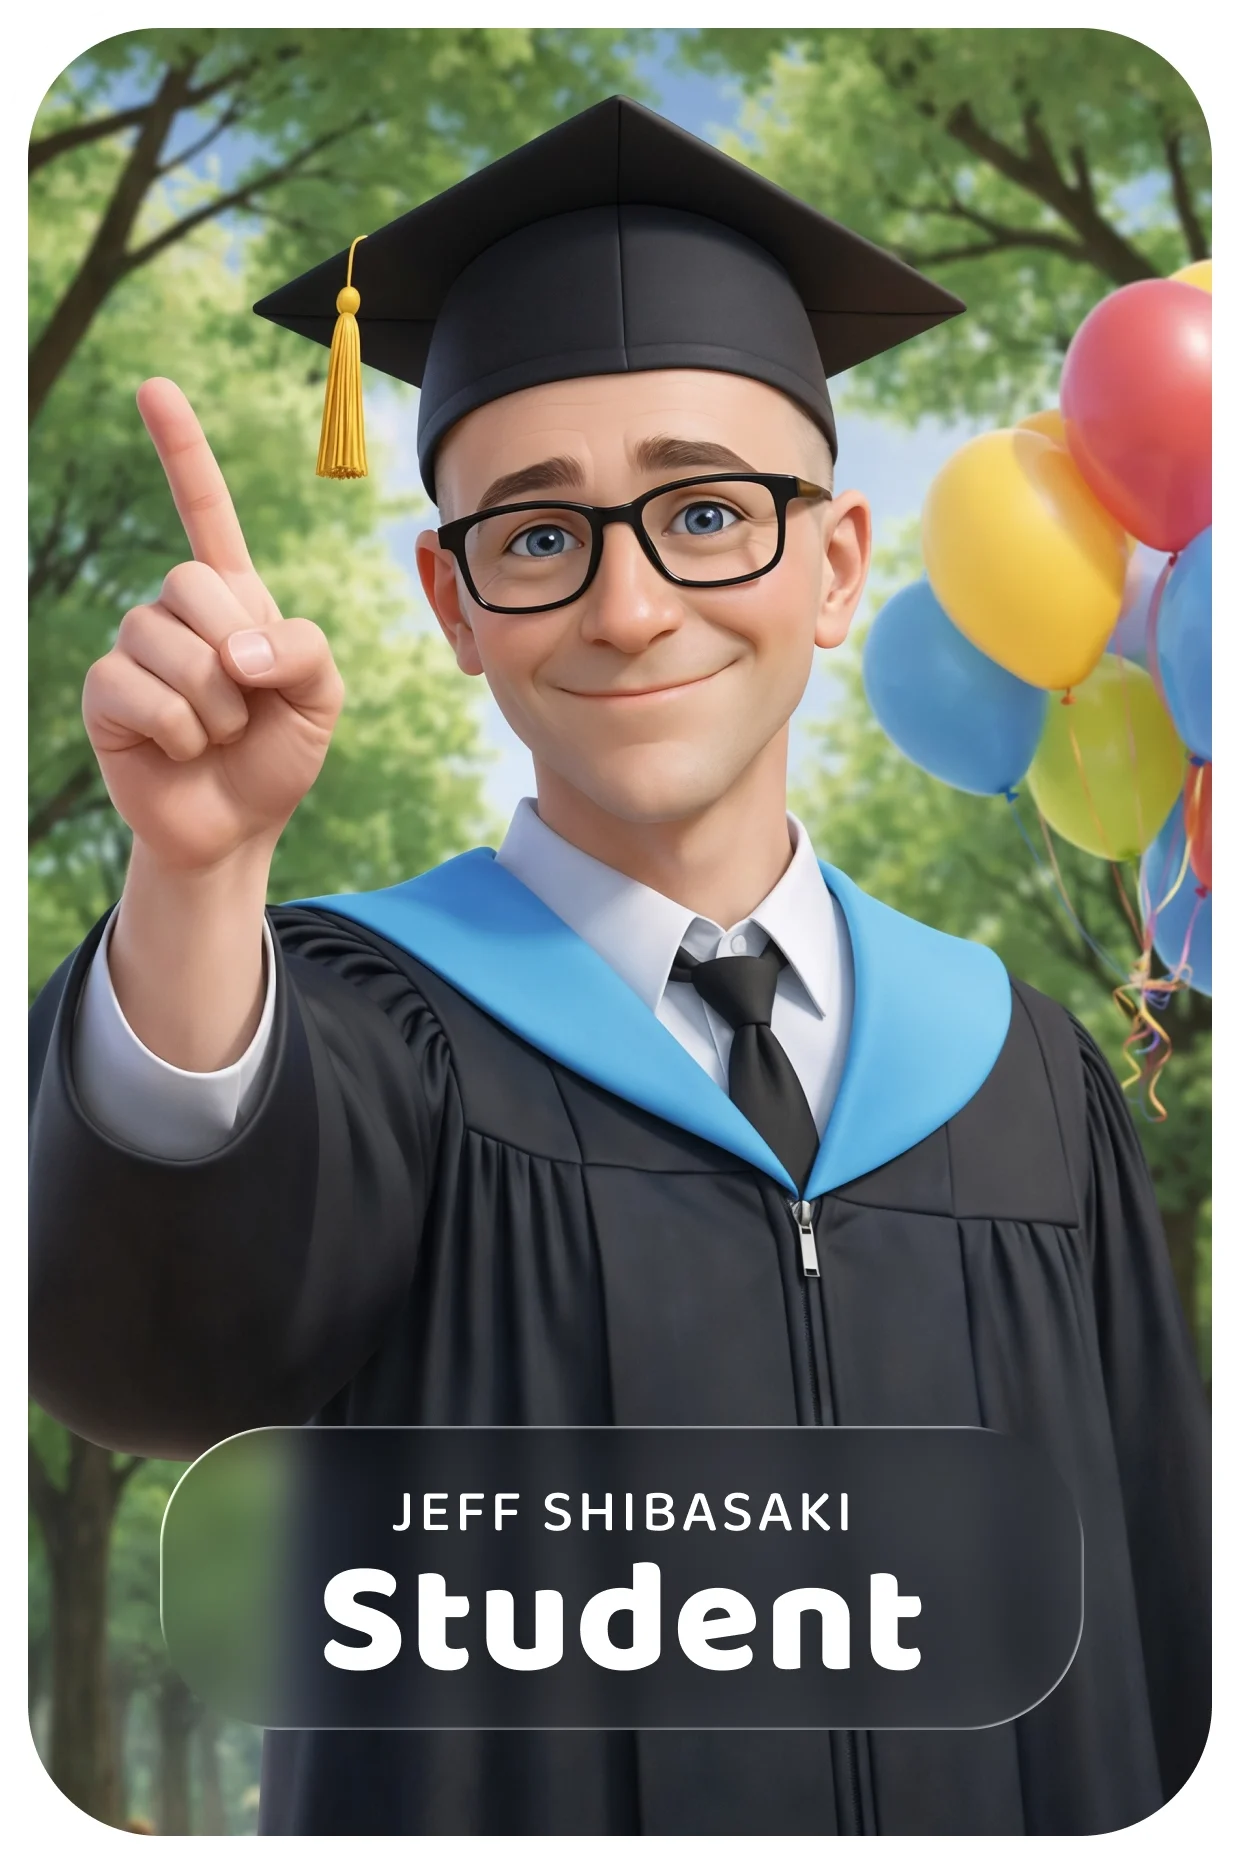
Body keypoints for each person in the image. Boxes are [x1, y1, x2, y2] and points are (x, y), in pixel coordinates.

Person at [29, 97, 1208, 1838]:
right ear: (453, 605)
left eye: (709, 511)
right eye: (537, 534)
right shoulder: (364, 1029)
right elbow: (174, 1349)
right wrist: (197, 881)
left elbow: (1165, 1629)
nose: (631, 605)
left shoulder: (1023, 1072)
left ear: (834, 562)